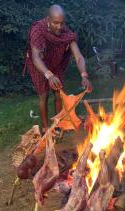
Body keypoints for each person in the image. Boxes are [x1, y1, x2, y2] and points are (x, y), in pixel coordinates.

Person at [24, 4, 93, 132]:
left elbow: (78, 57)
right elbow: (35, 57)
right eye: (56, 23)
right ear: (48, 20)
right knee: (44, 95)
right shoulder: (38, 30)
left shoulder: (66, 33)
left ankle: (58, 125)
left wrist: (84, 74)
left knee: (58, 92)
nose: (59, 27)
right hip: (40, 65)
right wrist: (48, 75)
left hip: (56, 63)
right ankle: (46, 129)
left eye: (62, 23)